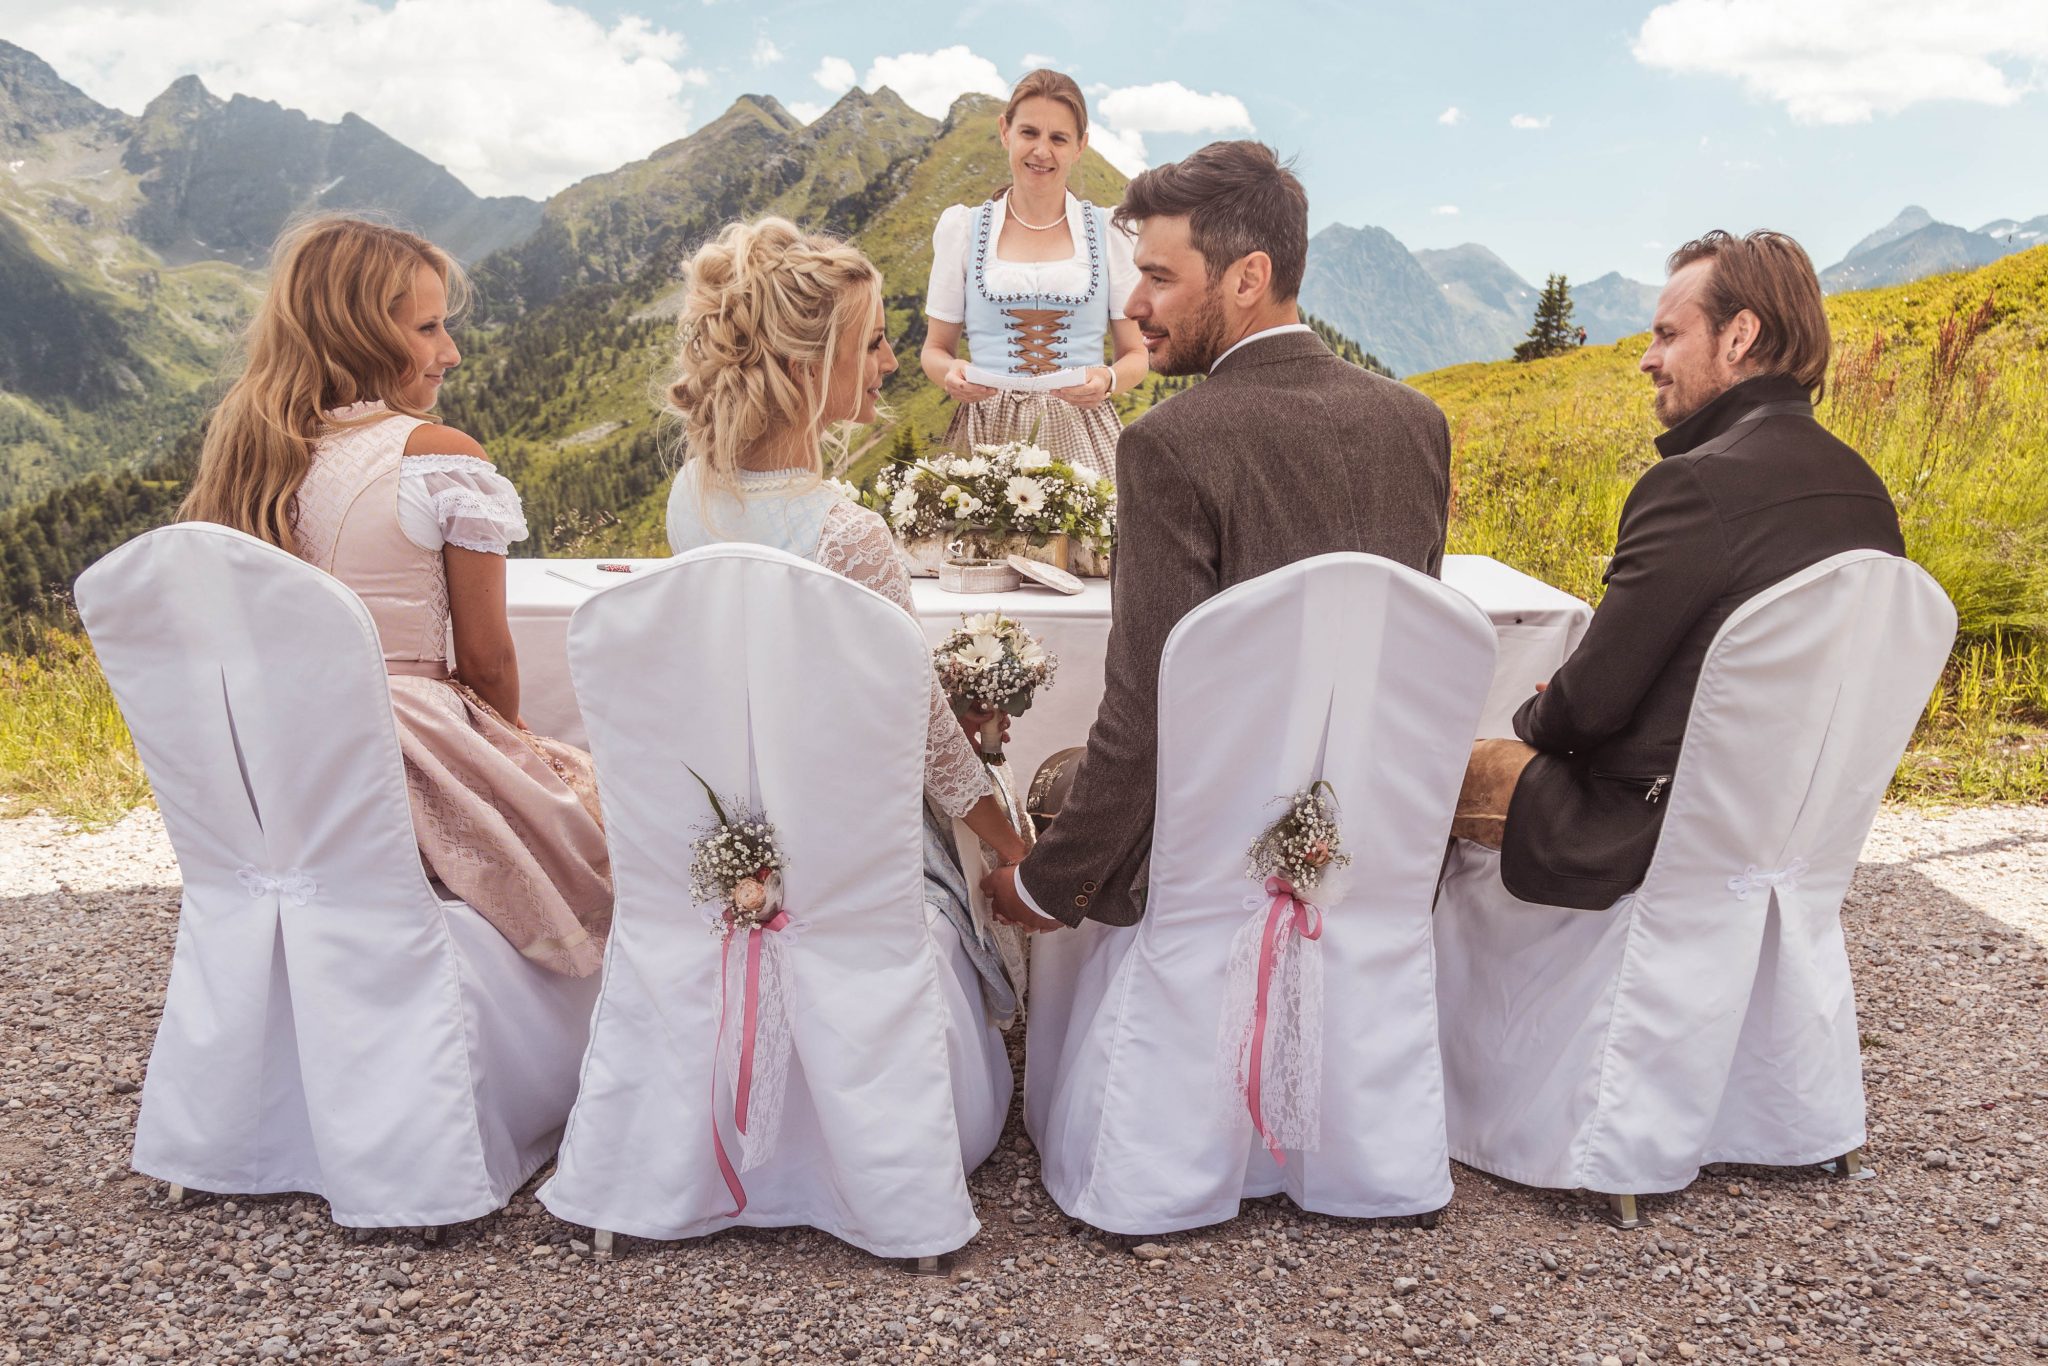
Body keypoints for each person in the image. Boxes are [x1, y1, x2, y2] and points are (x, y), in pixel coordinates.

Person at [981, 142, 1453, 932]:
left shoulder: (1171, 442)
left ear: (1248, 278)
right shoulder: (1419, 422)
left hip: (1209, 870)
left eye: (1160, 279)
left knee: (1054, 786)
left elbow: (1147, 715)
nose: (1133, 305)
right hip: (1373, 855)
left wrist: (1048, 889)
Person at [179, 215, 612, 975]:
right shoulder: (438, 458)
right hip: (399, 762)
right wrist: (517, 746)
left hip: (281, 775)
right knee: (611, 812)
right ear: (360, 334)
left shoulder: (251, 462)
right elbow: (485, 658)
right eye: (430, 327)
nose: (451, 351)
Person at [1450, 230, 1906, 909]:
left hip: (1640, 830)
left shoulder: (1694, 485)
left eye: (1667, 334)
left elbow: (1586, 711)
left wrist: (1538, 706)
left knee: (1427, 774)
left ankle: (1434, 999)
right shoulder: (1868, 495)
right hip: (1786, 827)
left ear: (1739, 336)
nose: (1647, 359)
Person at [663, 218, 1031, 1016]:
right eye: (870, 345)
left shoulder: (689, 495)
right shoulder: (847, 533)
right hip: (836, 831)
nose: (893, 363)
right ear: (807, 364)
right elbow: (925, 735)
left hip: (740, 811)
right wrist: (1016, 847)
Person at [920, 69, 1146, 481]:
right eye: (1029, 133)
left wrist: (1109, 378)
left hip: (1084, 433)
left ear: (1080, 147)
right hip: (986, 436)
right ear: (1005, 132)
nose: (1042, 150)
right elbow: (935, 349)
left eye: (1059, 138)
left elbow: (1136, 354)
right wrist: (951, 374)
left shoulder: (1108, 230)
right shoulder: (963, 230)